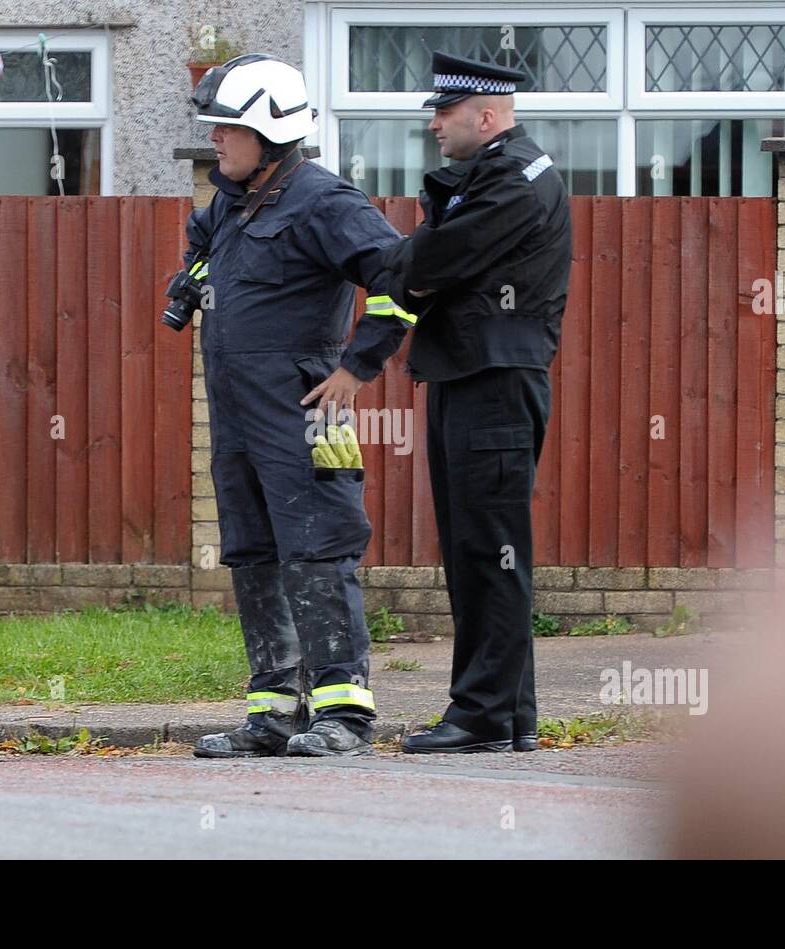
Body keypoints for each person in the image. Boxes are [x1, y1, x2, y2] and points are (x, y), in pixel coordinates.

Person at [181, 55, 415, 758]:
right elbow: (203, 253)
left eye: (227, 129)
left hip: (306, 408)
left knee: (318, 550)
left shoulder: (325, 201)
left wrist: (355, 366)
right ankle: (275, 711)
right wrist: (189, 280)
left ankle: (343, 713)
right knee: (254, 553)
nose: (215, 140)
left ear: (269, 133)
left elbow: (401, 282)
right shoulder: (232, 201)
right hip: (237, 411)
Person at [381, 52, 574, 754]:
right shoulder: (492, 176)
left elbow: (427, 265)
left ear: (486, 116)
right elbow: (429, 265)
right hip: (474, 374)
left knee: (486, 550)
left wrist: (407, 264)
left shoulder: (512, 183)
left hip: (493, 381)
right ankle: (508, 713)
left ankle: (483, 714)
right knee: (480, 551)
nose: (433, 123)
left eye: (445, 112)